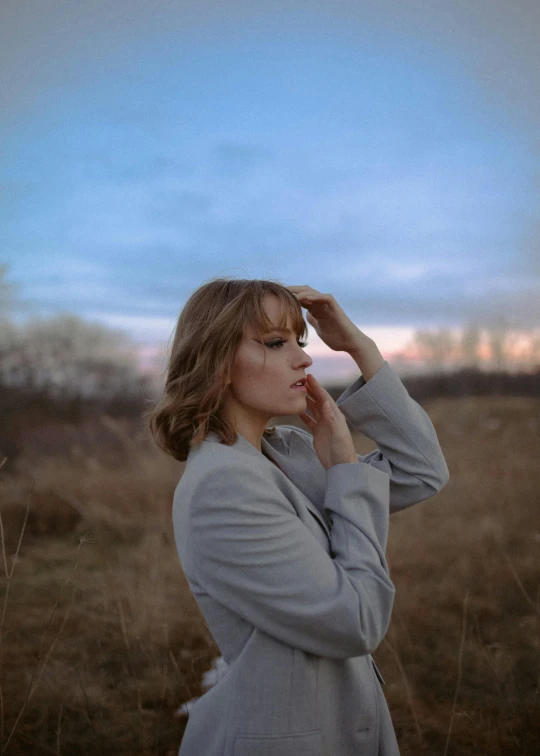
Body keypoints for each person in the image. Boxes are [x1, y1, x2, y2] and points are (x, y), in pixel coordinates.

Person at [146, 277, 450, 756]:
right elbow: (356, 621)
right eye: (275, 343)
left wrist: (359, 346)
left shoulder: (286, 452)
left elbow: (422, 471)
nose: (303, 359)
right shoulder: (223, 486)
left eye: (299, 341)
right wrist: (346, 472)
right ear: (217, 362)